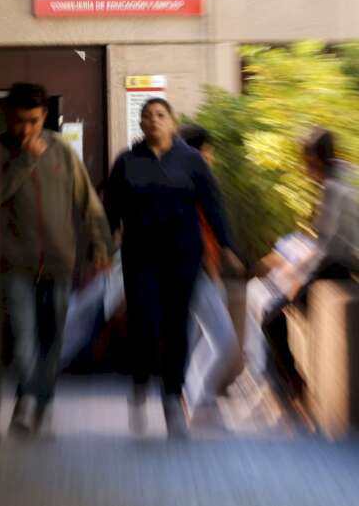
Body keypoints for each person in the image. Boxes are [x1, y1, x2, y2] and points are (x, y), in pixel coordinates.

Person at [104, 99, 243, 437]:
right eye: (147, 117)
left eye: (160, 115)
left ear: (172, 120)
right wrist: (103, 245)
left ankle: (171, 399)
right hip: (140, 257)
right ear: (141, 124)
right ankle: (139, 383)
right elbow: (110, 208)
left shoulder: (192, 161)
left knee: (176, 328)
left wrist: (228, 247)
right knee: (144, 324)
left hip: (182, 257)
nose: (153, 121)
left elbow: (213, 204)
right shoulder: (127, 162)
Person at [0, 83, 114, 434]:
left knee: (54, 337)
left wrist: (101, 246)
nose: (26, 129)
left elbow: (88, 202)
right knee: (23, 339)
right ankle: (26, 401)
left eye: (33, 120)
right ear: (8, 116)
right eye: (19, 121)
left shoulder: (62, 151)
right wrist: (24, 160)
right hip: (16, 263)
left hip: (61, 262)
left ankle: (43, 401)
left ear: (45, 115)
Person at [246, 128, 359, 398]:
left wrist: (299, 280)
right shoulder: (346, 174)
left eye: (307, 160)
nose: (305, 168)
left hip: (338, 266)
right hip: (342, 263)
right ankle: (291, 383)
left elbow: (329, 248)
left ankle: (293, 385)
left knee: (271, 316)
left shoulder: (334, 187)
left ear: (316, 158)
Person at [177, 124, 243, 430]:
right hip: (197, 272)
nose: (212, 155)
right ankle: (198, 398)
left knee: (192, 339)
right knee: (225, 341)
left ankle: (189, 396)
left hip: (194, 271)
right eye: (208, 149)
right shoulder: (193, 180)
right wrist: (223, 255)